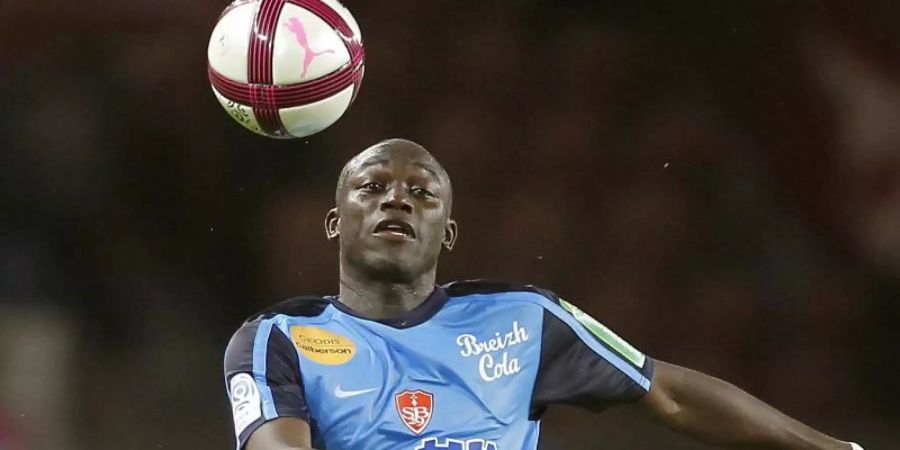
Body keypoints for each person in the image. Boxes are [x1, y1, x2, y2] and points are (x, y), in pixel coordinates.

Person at [224, 139, 863, 450]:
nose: (396, 198)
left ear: (447, 234)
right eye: (371, 186)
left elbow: (664, 392)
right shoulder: (276, 339)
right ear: (336, 220)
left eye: (422, 192)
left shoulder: (523, 320)